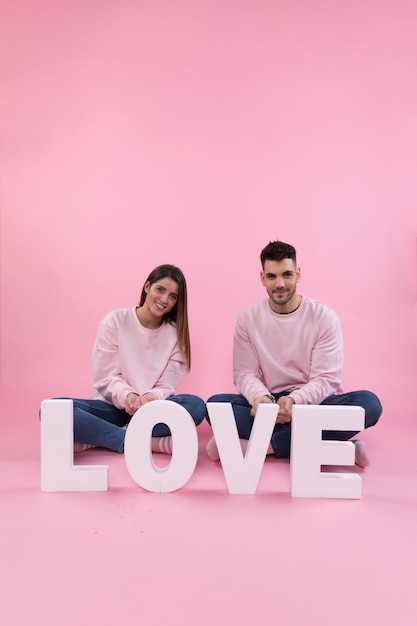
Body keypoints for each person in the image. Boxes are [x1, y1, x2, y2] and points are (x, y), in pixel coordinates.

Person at [205, 241, 382, 467]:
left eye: (287, 274)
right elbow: (244, 374)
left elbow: (326, 379)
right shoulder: (248, 319)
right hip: (271, 400)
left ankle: (263, 446)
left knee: (369, 403)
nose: (280, 284)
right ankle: (337, 447)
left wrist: (294, 401)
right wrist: (262, 399)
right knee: (214, 406)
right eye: (272, 276)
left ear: (298, 274)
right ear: (262, 278)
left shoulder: (323, 317)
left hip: (316, 404)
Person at [56, 264, 205, 454]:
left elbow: (167, 384)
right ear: (147, 287)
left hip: (151, 411)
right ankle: (145, 442)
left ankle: (103, 438)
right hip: (111, 408)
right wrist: (128, 396)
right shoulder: (115, 321)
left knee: (196, 406)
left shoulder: (176, 334)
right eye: (160, 290)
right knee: (54, 410)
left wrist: (151, 397)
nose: (165, 299)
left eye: (173, 296)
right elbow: (105, 377)